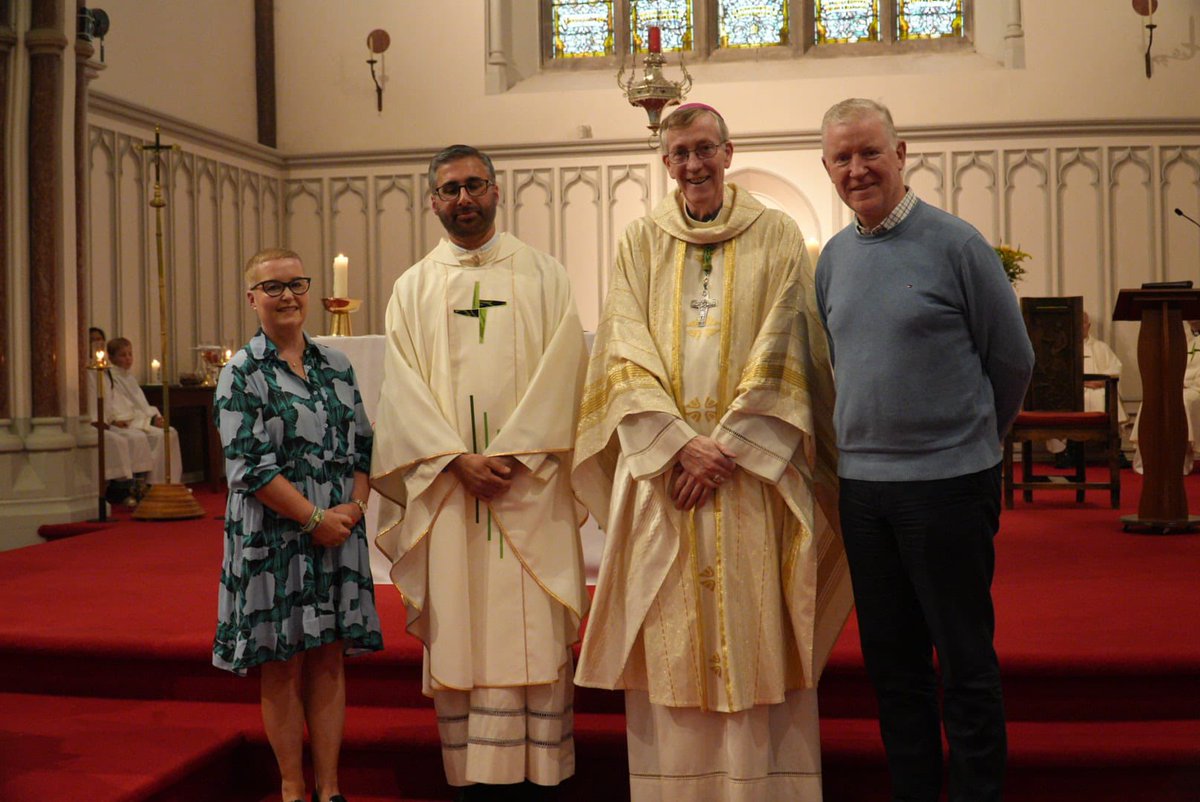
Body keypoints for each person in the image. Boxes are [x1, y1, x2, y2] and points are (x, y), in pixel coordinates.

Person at [572, 103, 852, 801]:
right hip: (666, 476)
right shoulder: (640, 239)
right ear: (665, 163)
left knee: (755, 630)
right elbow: (622, 347)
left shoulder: (779, 233)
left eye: (704, 150)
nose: (693, 164)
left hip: (751, 474)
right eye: (679, 154)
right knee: (671, 636)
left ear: (729, 153)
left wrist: (725, 448)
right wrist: (674, 448)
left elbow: (788, 341)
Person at [815, 98, 1034, 802]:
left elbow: (1013, 360)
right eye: (842, 158)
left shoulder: (956, 244)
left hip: (947, 486)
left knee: (964, 660)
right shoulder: (834, 260)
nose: (858, 169)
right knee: (893, 666)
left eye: (869, 151)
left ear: (901, 152)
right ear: (827, 168)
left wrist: (970, 445)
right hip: (864, 492)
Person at [372, 145, 588, 801]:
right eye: (450, 190)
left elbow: (567, 371)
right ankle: (475, 783)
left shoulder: (545, 276)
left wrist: (517, 453)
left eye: (475, 185)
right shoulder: (413, 288)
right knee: (465, 629)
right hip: (449, 492)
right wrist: (453, 461)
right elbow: (400, 391)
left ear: (498, 191)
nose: (463, 199)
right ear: (433, 202)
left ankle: (542, 779)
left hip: (531, 483)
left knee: (528, 622)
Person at [213, 247, 382, 802]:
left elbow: (363, 446)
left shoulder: (337, 365)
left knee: (329, 657)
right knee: (283, 663)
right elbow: (249, 466)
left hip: (337, 531)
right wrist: (313, 518)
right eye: (273, 287)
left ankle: (329, 787)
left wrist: (353, 511)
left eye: (296, 284)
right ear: (252, 297)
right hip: (275, 537)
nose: (287, 295)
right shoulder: (241, 372)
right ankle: (291, 787)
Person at [1047, 311, 1130, 468]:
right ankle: (1062, 453)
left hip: (1099, 390)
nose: (1080, 326)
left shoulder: (1101, 347)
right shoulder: (1061, 349)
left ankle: (1114, 450)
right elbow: (1055, 374)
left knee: (1110, 400)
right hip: (1072, 390)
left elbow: (1115, 368)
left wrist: (1099, 381)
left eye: (1083, 322)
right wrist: (1082, 383)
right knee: (1056, 403)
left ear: (1088, 325)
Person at [85, 326, 154, 506]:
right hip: (91, 423)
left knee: (136, 436)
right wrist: (96, 420)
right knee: (119, 442)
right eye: (93, 340)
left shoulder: (106, 371)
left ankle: (138, 486)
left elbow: (111, 400)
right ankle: (118, 489)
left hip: (106, 422)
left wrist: (110, 419)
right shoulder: (83, 369)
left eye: (100, 340)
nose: (97, 343)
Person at [104, 336, 184, 484]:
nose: (128, 358)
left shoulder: (129, 377)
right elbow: (121, 408)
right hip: (129, 423)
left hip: (141, 420)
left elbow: (142, 405)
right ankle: (155, 483)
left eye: (130, 354)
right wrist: (150, 421)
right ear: (111, 357)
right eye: (123, 355)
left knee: (171, 432)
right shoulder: (111, 377)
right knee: (161, 437)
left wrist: (155, 418)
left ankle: (172, 482)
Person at [1131, 319, 1200, 474]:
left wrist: (1187, 384)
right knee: (1150, 401)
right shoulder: (1181, 336)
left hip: (1196, 389)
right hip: (1178, 385)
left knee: (1183, 402)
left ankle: (1180, 463)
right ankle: (1148, 461)